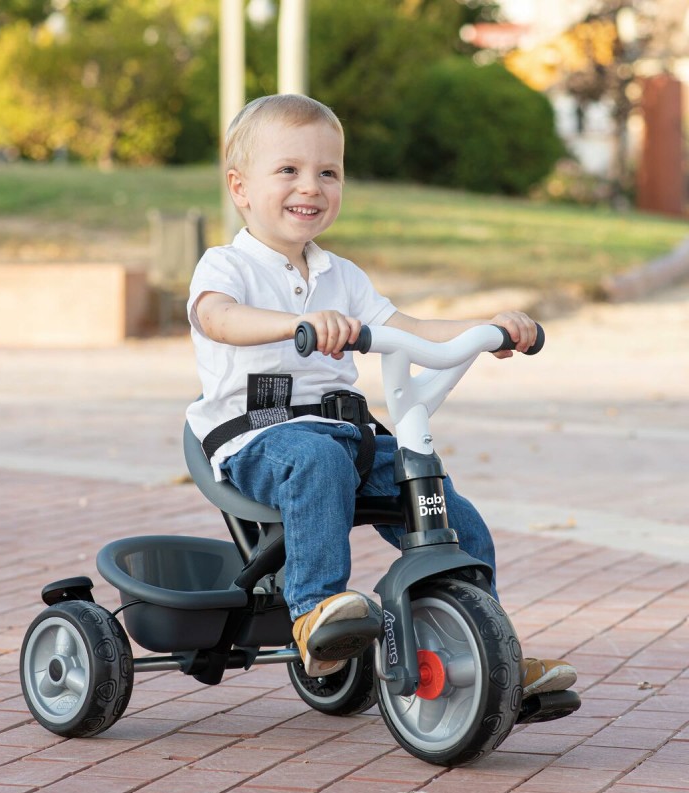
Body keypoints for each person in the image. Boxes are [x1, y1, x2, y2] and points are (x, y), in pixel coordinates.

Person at [186, 93, 576, 698]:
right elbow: (219, 318)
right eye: (288, 170)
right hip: (258, 438)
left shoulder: (342, 275)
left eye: (328, 172)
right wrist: (297, 325)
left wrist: (485, 330)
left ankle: (486, 648)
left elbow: (408, 329)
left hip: (348, 437)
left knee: (442, 499)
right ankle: (315, 615)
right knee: (315, 460)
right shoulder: (227, 266)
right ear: (240, 188)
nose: (310, 186)